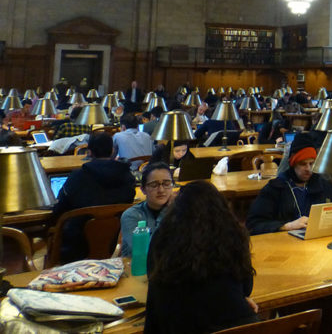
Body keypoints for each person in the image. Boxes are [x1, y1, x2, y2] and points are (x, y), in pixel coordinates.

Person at [145, 181, 260, 333]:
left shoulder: (163, 235)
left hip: (175, 322)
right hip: (233, 322)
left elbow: (152, 275)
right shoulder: (233, 234)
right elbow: (247, 286)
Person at [246, 143, 332, 235]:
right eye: (303, 164)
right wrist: (286, 226)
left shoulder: (321, 184)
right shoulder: (275, 188)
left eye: (312, 163)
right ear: (293, 164)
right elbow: (253, 224)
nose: (309, 169)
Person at [51, 131, 136, 264]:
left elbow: (59, 212)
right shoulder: (128, 177)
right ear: (113, 150)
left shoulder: (77, 177)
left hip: (76, 251)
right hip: (115, 247)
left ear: (89, 152)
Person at [119, 162, 173, 257]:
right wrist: (166, 211)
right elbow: (146, 251)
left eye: (166, 183)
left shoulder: (180, 211)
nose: (161, 190)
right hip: (137, 268)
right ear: (143, 189)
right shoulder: (131, 215)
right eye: (154, 185)